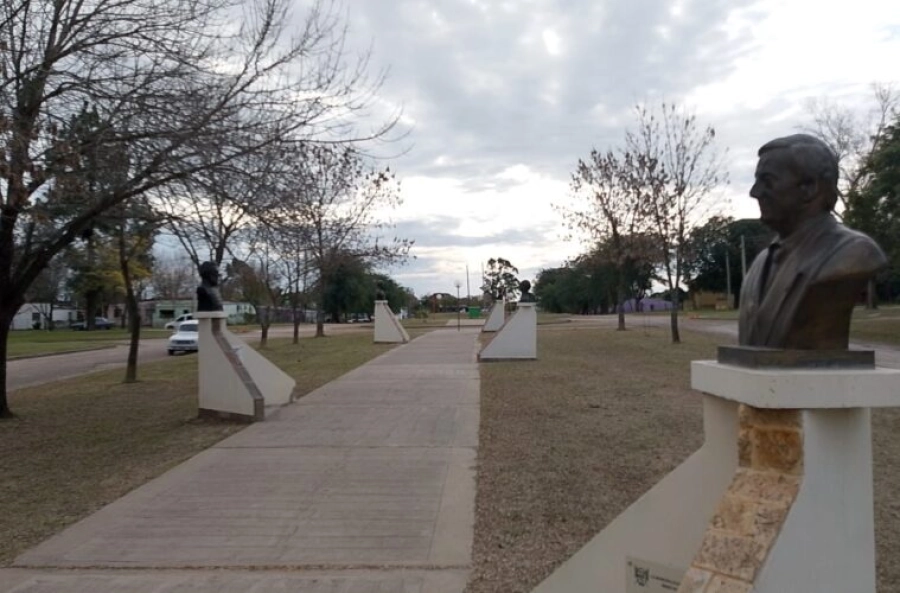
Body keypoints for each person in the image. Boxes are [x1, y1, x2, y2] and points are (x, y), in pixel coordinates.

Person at [738, 134, 886, 349]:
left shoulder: (854, 254)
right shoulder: (761, 262)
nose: (755, 192)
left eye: (768, 181)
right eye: (756, 181)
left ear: (810, 187)